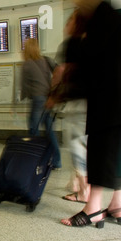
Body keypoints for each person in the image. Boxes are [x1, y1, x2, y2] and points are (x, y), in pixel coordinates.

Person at [61, 0, 121, 228]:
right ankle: (117, 205)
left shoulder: (102, 18)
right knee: (115, 152)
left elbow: (88, 60)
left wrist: (75, 41)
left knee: (101, 149)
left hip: (108, 100)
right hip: (114, 98)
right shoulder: (113, 16)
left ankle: (93, 208)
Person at [46, 9, 90, 204]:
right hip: (92, 104)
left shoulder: (72, 44)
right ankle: (76, 184)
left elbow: (62, 71)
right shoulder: (94, 43)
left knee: (76, 145)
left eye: (70, 20)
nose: (66, 24)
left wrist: (54, 95)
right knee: (86, 144)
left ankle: (83, 191)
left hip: (76, 103)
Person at [21, 38, 61, 170]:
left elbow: (25, 86)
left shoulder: (27, 64)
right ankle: (56, 161)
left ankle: (35, 159)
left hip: (38, 100)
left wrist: (17, 103)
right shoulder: (45, 60)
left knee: (34, 129)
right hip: (48, 99)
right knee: (49, 131)